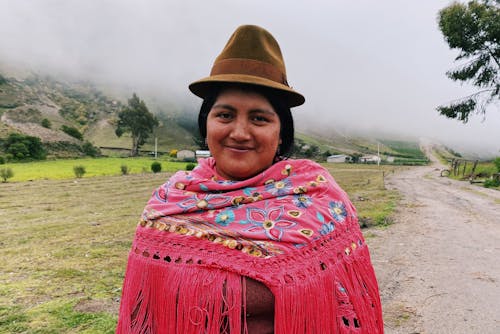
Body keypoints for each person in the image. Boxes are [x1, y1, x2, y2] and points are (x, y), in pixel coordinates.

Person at [116, 24, 383, 334]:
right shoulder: (169, 202)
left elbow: (345, 311)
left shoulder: (319, 200)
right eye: (225, 115)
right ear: (207, 125)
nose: (240, 133)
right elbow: (144, 312)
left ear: (281, 132)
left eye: (259, 118)